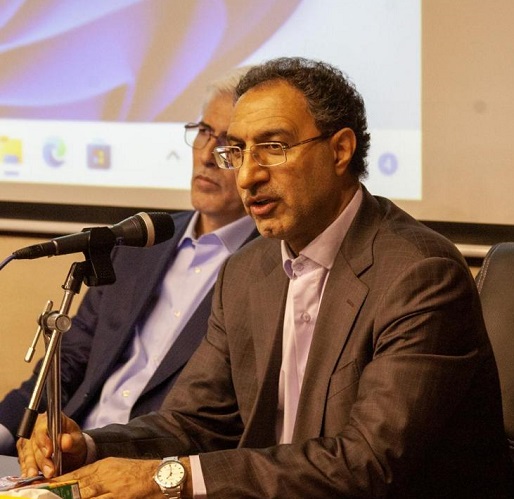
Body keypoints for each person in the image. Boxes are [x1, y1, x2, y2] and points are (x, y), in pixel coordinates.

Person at [18, 57, 514, 498]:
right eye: (237, 151)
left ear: (340, 150)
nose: (247, 175)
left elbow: (367, 464)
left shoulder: (420, 274)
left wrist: (168, 478)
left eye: (273, 147)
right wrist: (89, 446)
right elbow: (196, 422)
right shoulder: (246, 270)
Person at [0, 66, 257, 455]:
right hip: (66, 451)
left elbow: (221, 421)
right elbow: (69, 361)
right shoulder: (140, 241)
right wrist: (6, 431)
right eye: (204, 132)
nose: (207, 156)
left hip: (149, 465)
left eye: (229, 145)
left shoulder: (270, 269)